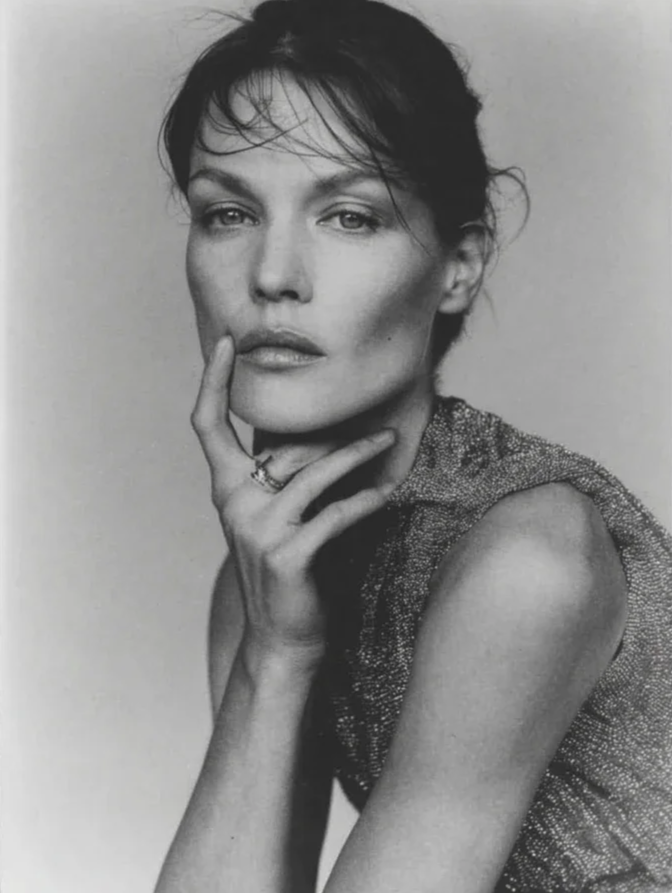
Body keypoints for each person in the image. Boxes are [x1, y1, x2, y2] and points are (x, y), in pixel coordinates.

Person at [153, 0, 672, 890]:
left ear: (458, 266)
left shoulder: (529, 555)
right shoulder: (272, 576)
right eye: (228, 213)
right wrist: (277, 654)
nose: (273, 275)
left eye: (349, 216)